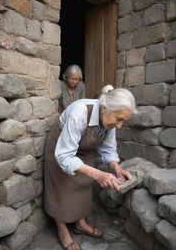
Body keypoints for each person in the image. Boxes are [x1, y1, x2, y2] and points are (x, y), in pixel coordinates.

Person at [44, 85, 136, 250]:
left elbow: (108, 149)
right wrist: (98, 174)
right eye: (119, 119)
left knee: (83, 185)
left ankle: (80, 223)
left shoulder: (110, 121)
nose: (120, 125)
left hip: (84, 150)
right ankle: (62, 230)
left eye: (123, 121)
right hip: (61, 148)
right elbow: (64, 156)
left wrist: (116, 167)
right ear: (105, 108)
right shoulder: (80, 112)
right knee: (61, 189)